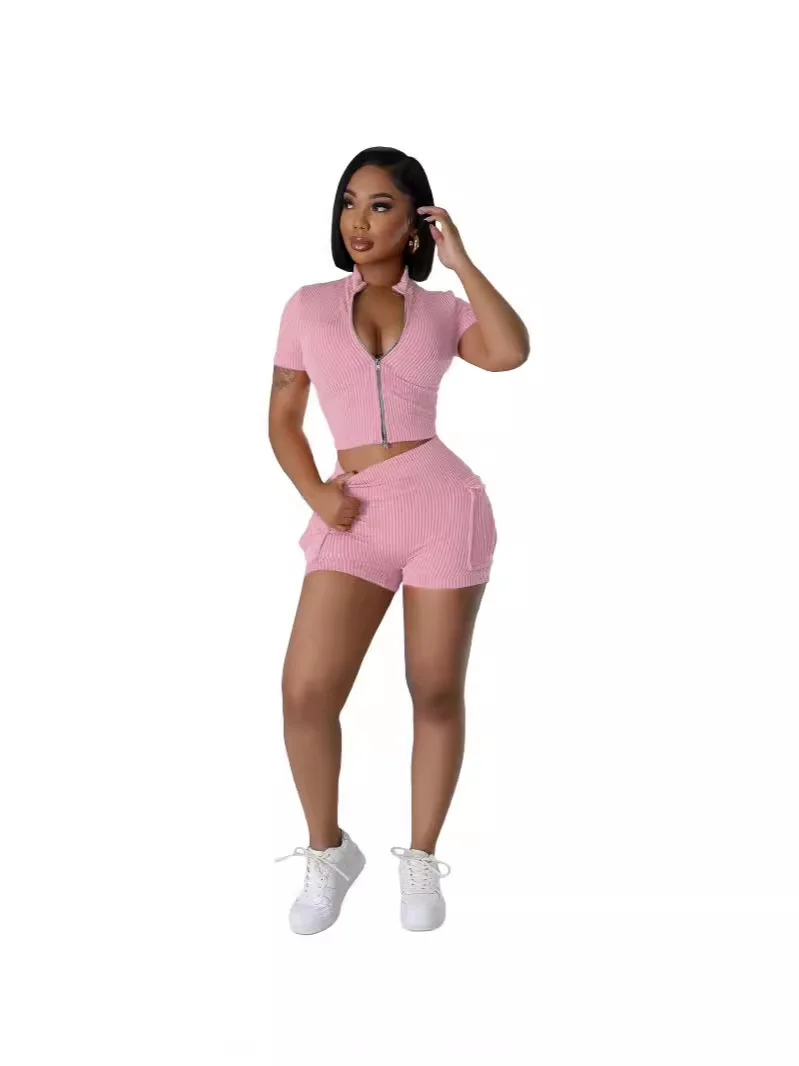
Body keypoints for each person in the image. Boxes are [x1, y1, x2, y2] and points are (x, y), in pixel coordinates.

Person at [269, 147, 529, 934]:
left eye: (380, 205)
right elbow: (282, 420)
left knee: (435, 689)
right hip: (351, 513)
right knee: (305, 693)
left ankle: (419, 857)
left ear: (414, 223)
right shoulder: (307, 306)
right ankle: (328, 852)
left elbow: (510, 351)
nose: (358, 221)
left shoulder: (444, 311)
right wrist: (318, 494)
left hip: (441, 506)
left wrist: (461, 262)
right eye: (349, 202)